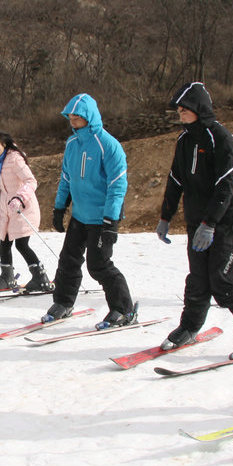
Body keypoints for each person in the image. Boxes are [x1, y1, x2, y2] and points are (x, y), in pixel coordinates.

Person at [156, 82, 233, 359]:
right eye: (179, 111)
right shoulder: (184, 141)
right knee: (198, 280)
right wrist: (165, 216)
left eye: (185, 110)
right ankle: (190, 327)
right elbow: (175, 181)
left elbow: (227, 186)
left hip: (223, 223)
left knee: (223, 280)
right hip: (197, 222)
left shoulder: (220, 138)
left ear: (199, 109)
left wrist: (210, 224)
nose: (180, 115)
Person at [44, 93, 136, 329]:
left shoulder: (109, 145)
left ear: (90, 116)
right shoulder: (72, 144)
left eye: (78, 116)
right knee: (68, 261)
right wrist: (59, 207)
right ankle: (63, 303)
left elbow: (117, 186)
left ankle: (123, 309)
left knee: (99, 265)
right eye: (70, 116)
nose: (73, 120)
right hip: (79, 216)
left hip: (101, 218)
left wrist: (110, 221)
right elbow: (66, 178)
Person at [0, 130, 53, 292]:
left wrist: (19, 198)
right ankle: (7, 277)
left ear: (4, 144)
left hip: (23, 207)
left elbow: (31, 181)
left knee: (21, 244)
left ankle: (40, 277)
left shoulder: (15, 159)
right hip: (6, 209)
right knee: (4, 242)